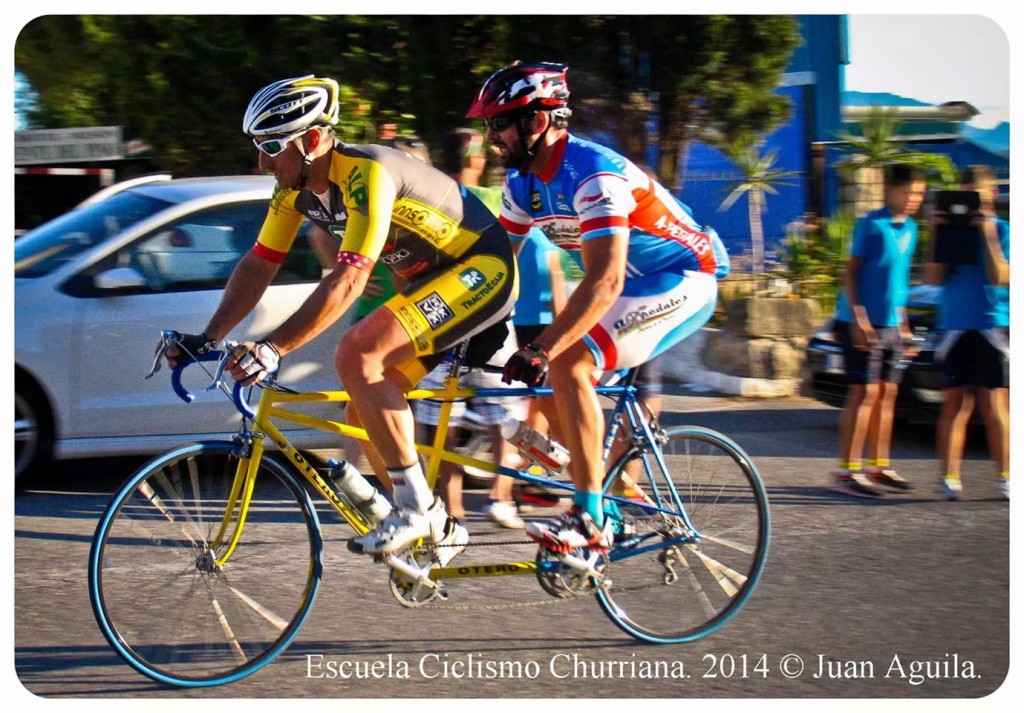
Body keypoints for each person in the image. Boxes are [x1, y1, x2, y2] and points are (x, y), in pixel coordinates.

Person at [164, 75, 517, 560]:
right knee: (363, 405)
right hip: (424, 284)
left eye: (271, 146)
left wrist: (272, 348)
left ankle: (414, 509)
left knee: (356, 352)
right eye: (257, 146)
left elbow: (349, 280)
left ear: (311, 140)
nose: (262, 161)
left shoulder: (366, 174)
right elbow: (260, 263)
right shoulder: (293, 190)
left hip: (480, 269)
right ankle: (436, 522)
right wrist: (208, 337)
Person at [467, 61, 728, 551]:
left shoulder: (593, 173)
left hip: (684, 279)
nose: (491, 137)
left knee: (568, 360)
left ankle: (589, 520)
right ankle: (600, 490)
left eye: (498, 123)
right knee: (550, 375)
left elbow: (604, 279)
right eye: (488, 125)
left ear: (536, 121)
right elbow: (496, 267)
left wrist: (544, 347)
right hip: (631, 288)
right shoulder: (522, 184)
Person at [829, 163, 926, 498]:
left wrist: (904, 324)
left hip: (892, 324)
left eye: (919, 194)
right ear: (890, 191)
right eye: (908, 192)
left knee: (888, 394)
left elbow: (898, 281)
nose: (913, 199)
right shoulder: (870, 225)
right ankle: (847, 471)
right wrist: (859, 320)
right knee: (864, 394)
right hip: (857, 323)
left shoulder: (911, 228)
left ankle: (878, 466)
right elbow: (850, 273)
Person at [926, 166, 1010, 501]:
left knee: (994, 406)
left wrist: (987, 232)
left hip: (991, 324)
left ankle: (1006, 477)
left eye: (978, 193)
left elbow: (1000, 276)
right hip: (955, 326)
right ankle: (949, 478)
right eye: (966, 192)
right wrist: (937, 233)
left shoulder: (1003, 229)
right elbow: (933, 279)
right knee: (954, 406)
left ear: (990, 194)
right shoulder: (949, 233)